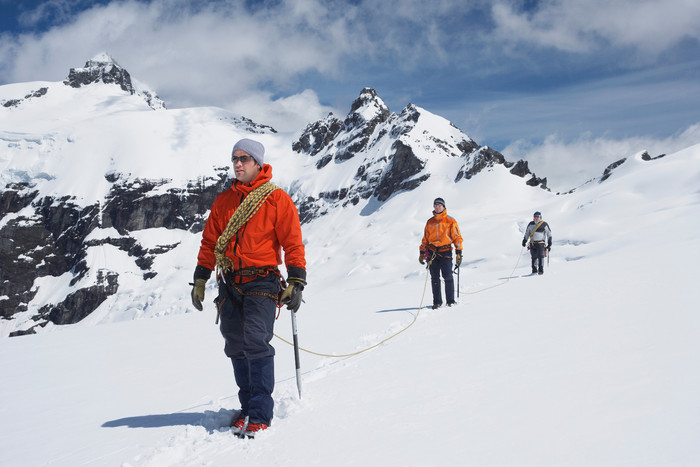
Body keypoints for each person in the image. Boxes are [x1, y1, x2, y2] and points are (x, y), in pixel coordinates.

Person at [190, 138, 306, 438]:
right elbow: (210, 243)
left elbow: (292, 242)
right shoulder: (223, 201)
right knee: (234, 343)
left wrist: (296, 280)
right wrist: (201, 278)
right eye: (234, 158)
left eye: (244, 158)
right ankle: (247, 406)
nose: (237, 164)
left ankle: (260, 413)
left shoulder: (277, 199)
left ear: (258, 162)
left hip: (262, 281)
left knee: (255, 340)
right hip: (230, 282)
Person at [419, 197, 463, 309]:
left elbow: (457, 237)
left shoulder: (450, 221)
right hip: (432, 252)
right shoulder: (430, 222)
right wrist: (422, 252)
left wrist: (459, 252)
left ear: (444, 207)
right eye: (435, 205)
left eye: (439, 205)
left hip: (446, 252)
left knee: (447, 276)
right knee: (434, 278)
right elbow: (425, 239)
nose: (437, 207)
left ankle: (450, 301)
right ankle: (437, 302)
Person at [522, 211, 552, 275]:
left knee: (541, 256)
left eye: (537, 217)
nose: (536, 218)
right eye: (535, 217)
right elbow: (527, 233)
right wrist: (524, 240)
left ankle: (541, 270)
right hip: (533, 243)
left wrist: (549, 243)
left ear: (540, 217)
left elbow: (549, 234)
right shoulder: (530, 224)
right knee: (533, 257)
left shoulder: (544, 224)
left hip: (541, 243)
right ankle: (534, 270)